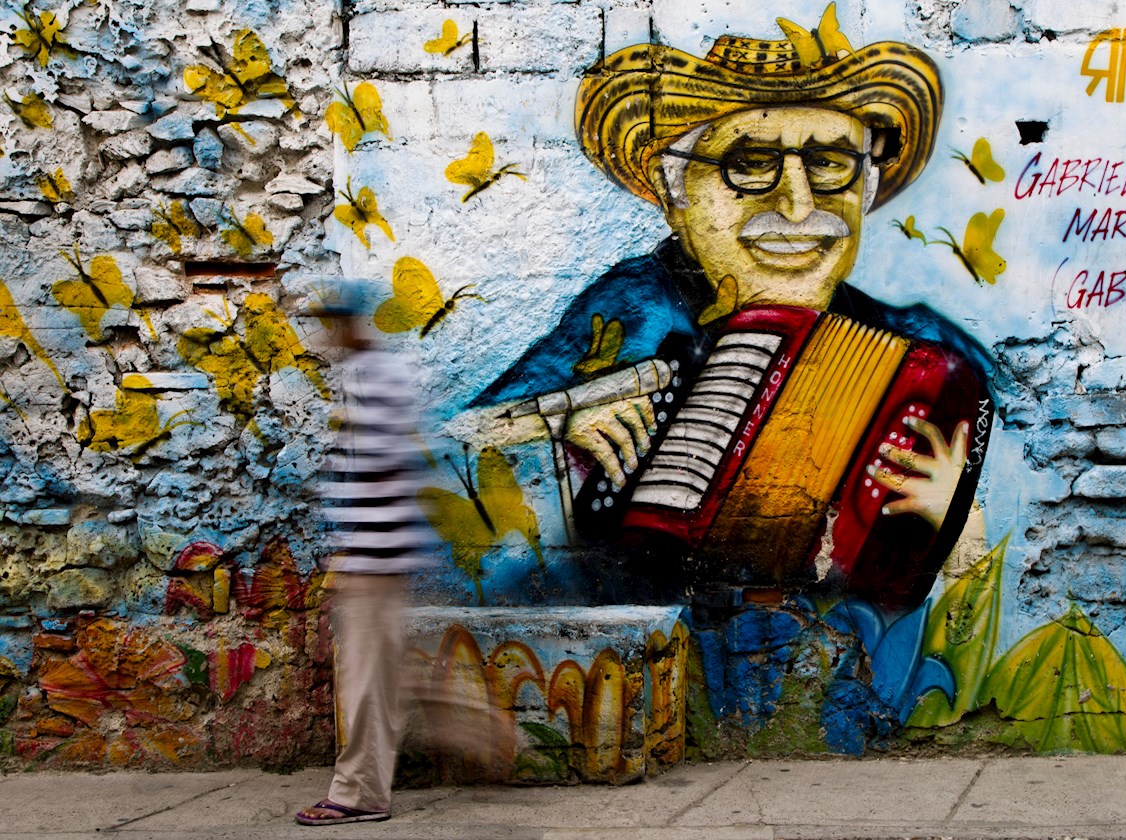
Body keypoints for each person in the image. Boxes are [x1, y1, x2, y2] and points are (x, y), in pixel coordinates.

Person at [464, 10, 994, 612]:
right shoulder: (635, 310)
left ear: (865, 187)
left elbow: (947, 606)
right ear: (675, 194)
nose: (797, 205)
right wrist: (554, 435)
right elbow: (463, 455)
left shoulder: (919, 352)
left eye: (828, 164)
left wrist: (952, 524)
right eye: (749, 163)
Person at [296, 280, 431, 826]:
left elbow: (378, 468)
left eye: (331, 324)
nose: (326, 335)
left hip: (374, 556)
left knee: (364, 680)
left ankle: (358, 795)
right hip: (378, 554)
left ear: (349, 324)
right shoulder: (377, 373)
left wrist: (352, 552)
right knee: (378, 677)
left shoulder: (370, 377)